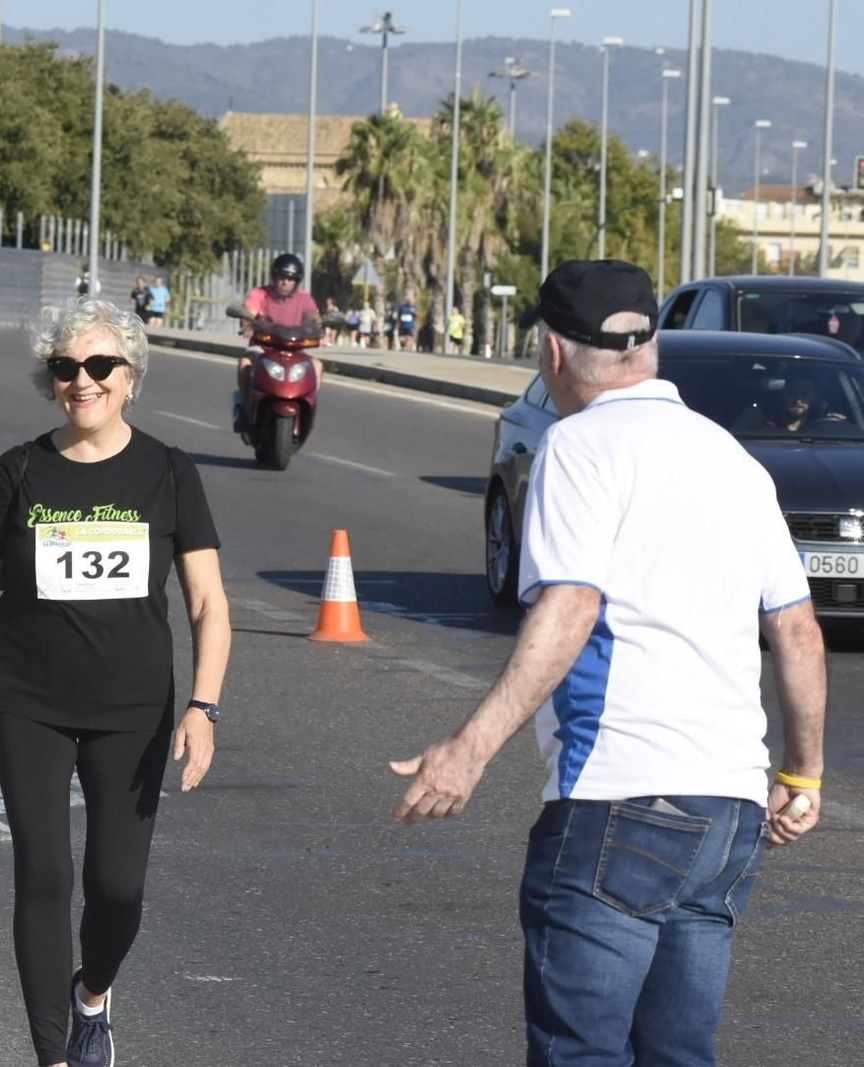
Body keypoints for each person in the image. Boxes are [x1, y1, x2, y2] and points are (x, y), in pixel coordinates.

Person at [389, 259, 826, 1067]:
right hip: (730, 808)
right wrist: (803, 777)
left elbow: (571, 607)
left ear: (553, 353)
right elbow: (798, 631)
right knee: (679, 1052)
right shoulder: (733, 459)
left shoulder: (578, 446)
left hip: (620, 793)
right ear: (650, 345)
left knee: (581, 1052)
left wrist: (468, 749)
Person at [0, 299, 230, 1067]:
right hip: (24, 699)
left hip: (133, 706)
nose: (82, 380)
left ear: (130, 376)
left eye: (101, 365)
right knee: (43, 872)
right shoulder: (18, 471)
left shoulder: (169, 471)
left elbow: (208, 601)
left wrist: (203, 706)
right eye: (66, 367)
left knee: (117, 887)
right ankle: (54, 1056)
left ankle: (92, 994)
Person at [234, 252, 324, 430]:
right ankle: (246, 407)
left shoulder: (304, 298)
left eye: (290, 279)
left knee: (317, 366)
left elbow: (314, 317)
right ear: (274, 277)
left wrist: (321, 326)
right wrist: (247, 324)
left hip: (294, 349)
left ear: (296, 281)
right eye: (281, 277)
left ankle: (308, 408)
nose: (285, 282)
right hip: (263, 347)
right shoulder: (261, 293)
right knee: (244, 364)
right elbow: (249, 312)